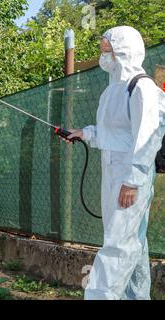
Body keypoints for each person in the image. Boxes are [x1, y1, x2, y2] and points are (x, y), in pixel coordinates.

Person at [65, 26, 163, 300]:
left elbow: (147, 138)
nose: (103, 56)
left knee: (118, 246)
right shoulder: (112, 90)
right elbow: (113, 133)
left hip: (130, 176)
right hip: (113, 172)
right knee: (133, 243)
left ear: (123, 51)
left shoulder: (142, 87)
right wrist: (85, 133)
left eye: (107, 50)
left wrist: (133, 181)